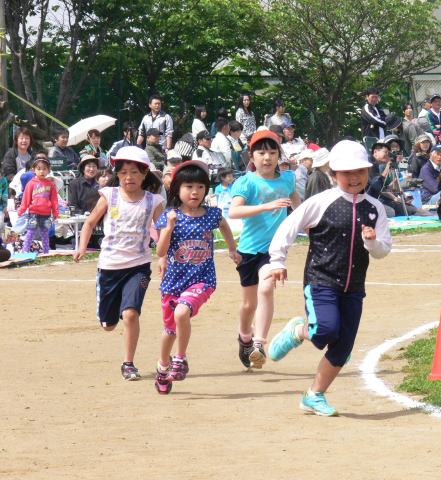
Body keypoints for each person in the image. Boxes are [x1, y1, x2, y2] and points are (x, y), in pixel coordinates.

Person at [266, 140, 391, 416]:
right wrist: (277, 260)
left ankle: (314, 395)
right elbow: (289, 226)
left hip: (354, 287)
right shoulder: (322, 202)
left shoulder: (375, 208)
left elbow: (383, 250)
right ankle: (298, 331)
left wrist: (371, 242)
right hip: (321, 279)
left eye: (360, 171)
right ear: (334, 174)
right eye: (347, 172)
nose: (355, 177)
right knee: (325, 331)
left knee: (342, 348)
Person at [73, 147, 164, 380]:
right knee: (109, 325)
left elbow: (162, 232)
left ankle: (129, 363)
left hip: (138, 266)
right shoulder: (109, 195)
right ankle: (108, 316)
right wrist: (82, 246)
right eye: (123, 172)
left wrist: (163, 257)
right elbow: (90, 223)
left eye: (134, 172)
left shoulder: (154, 201)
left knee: (131, 314)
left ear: (144, 174)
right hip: (109, 268)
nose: (129, 177)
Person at [153, 160, 240, 394]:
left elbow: (224, 226)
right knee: (169, 331)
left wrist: (232, 249)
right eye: (189, 186)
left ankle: (180, 359)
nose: (195, 192)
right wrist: (169, 228)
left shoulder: (211, 214)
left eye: (200, 187)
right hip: (173, 283)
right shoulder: (169, 216)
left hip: (202, 280)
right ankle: (163, 366)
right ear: (177, 189)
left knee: (182, 311)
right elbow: (160, 251)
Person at [228, 129, 301, 369]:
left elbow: (298, 205)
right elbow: (234, 211)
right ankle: (244, 336)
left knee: (267, 287)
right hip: (249, 251)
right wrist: (266, 206)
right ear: (252, 156)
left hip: (274, 251)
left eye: (272, 152)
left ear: (279, 154)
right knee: (248, 305)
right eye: (261, 152)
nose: (267, 158)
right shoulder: (246, 182)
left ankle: (259, 344)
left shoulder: (287, 179)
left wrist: (309, 224)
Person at [17, 156, 59, 254]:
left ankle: (46, 252)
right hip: (33, 214)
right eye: (39, 169)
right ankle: (25, 252)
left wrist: (55, 212)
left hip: (46, 214)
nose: (42, 171)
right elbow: (26, 198)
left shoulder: (51, 184)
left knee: (45, 233)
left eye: (44, 169)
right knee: (30, 232)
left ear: (49, 170)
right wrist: (21, 210)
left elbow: (54, 200)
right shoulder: (31, 184)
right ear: (33, 170)